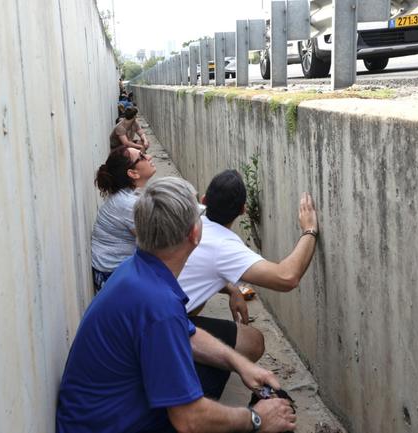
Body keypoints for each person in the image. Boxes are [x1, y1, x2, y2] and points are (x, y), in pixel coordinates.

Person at [56, 177, 296, 433]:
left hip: (99, 416)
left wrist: (241, 364)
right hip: (109, 425)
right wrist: (255, 418)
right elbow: (189, 420)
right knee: (265, 422)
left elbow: (186, 333)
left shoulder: (139, 270)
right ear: (194, 234)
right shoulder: (159, 305)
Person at [178, 169, 318, 362]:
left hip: (144, 314)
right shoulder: (224, 246)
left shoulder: (187, 214)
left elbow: (198, 266)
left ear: (203, 200)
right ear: (243, 210)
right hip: (160, 330)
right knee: (253, 342)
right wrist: (309, 229)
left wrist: (232, 290)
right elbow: (287, 277)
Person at [91, 145, 156, 292]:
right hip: (111, 278)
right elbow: (155, 243)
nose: (149, 157)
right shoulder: (128, 204)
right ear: (133, 173)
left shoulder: (127, 196)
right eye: (142, 157)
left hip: (117, 272)